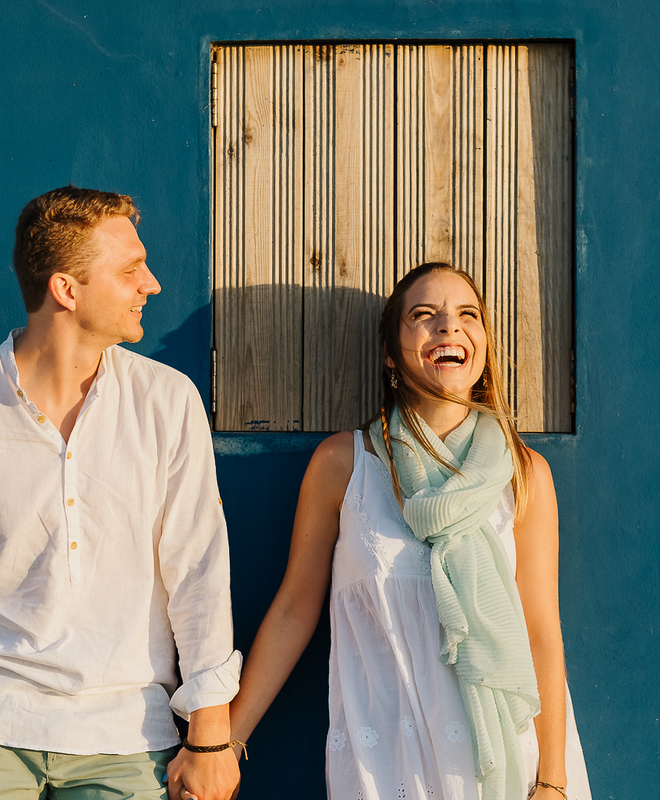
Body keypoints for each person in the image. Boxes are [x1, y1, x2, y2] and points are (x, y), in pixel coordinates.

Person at [0, 186, 243, 800]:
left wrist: (210, 733)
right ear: (66, 290)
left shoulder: (168, 402)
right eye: (130, 270)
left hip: (124, 734)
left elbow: (198, 569)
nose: (151, 284)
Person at [228, 263, 592, 800]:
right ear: (390, 351)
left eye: (467, 315)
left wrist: (554, 782)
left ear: (483, 343)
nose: (449, 326)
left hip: (510, 763)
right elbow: (294, 608)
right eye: (425, 315)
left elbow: (541, 628)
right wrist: (224, 743)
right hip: (388, 762)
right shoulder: (346, 465)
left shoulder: (524, 472)